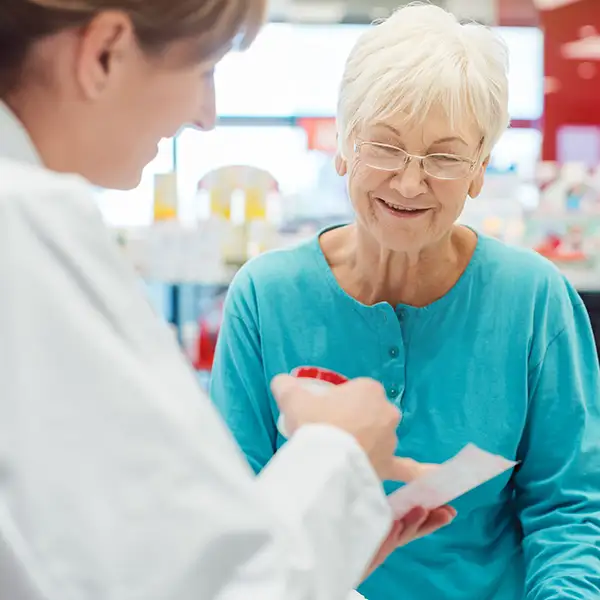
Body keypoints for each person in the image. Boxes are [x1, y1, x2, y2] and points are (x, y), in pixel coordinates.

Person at [0, 1, 457, 599]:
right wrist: (339, 453)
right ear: (105, 52)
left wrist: (327, 544)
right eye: (204, 70)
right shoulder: (28, 227)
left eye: (444, 156)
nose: (208, 116)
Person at [210, 4, 600, 600]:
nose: (410, 182)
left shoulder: (534, 300)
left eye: (444, 157)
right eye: (385, 148)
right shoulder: (266, 298)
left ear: (478, 170)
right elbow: (237, 511)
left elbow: (569, 510)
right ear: (342, 145)